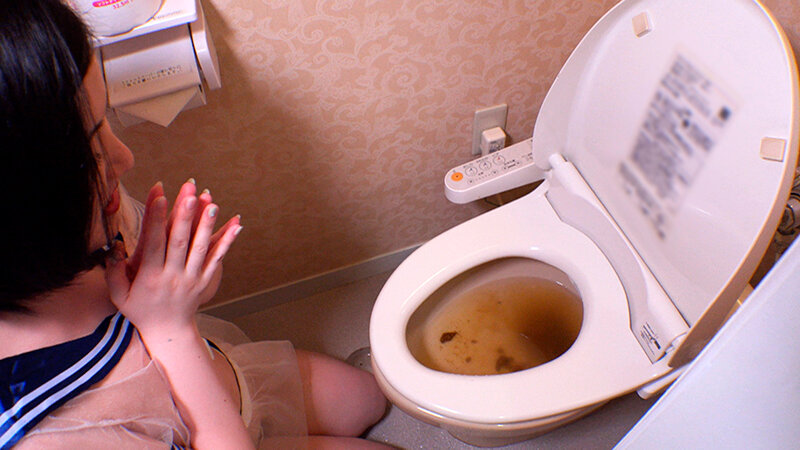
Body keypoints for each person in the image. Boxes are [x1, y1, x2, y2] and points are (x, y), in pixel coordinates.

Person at [0, 1, 388, 448]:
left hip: (220, 380)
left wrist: (186, 283)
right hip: (212, 435)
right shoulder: (45, 434)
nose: (125, 158)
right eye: (92, 152)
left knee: (368, 398)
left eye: (104, 122)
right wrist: (170, 327)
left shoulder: (68, 219)